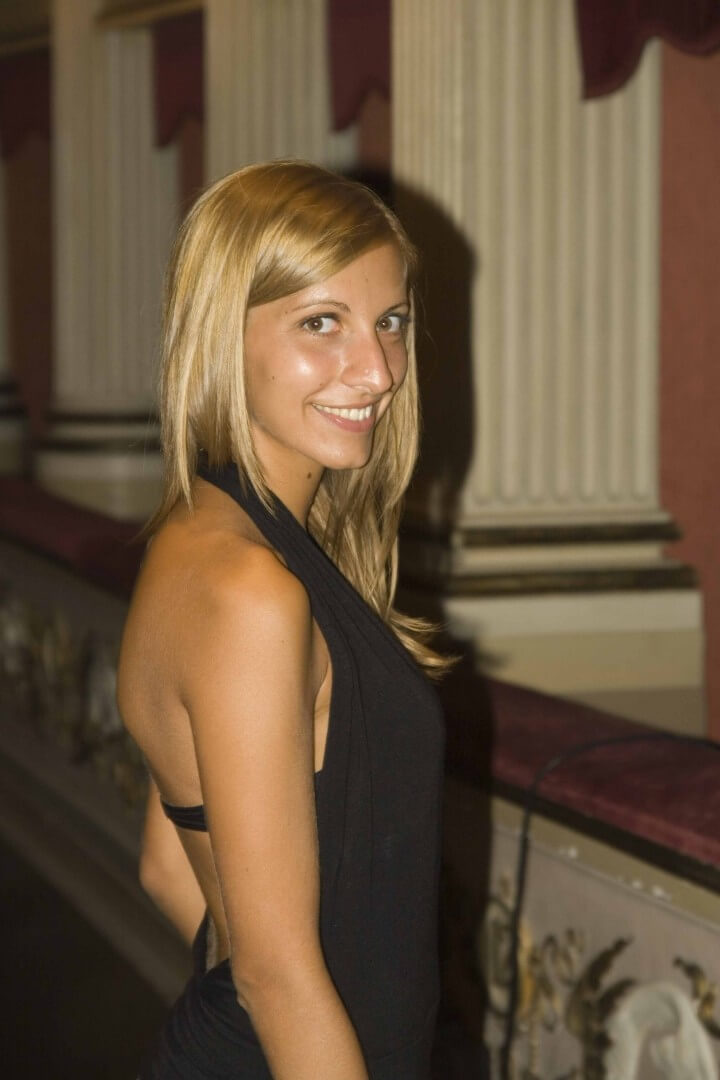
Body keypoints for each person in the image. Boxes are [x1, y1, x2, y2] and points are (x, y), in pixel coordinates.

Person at [117, 160, 451, 1080]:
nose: (377, 369)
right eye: (321, 323)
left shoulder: (207, 538)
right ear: (223, 333)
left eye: (390, 321)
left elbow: (167, 864)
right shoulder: (251, 591)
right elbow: (274, 975)